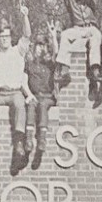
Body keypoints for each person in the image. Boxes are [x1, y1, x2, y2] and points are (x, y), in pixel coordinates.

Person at [38, 0, 102, 100]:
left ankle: (95, 69)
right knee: (66, 35)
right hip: (77, 28)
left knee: (97, 36)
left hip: (91, 26)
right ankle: (64, 69)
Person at [0, 3, 34, 174]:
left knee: (20, 104)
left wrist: (25, 16)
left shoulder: (18, 51)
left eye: (7, 36)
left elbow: (27, 35)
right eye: (2, 36)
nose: (4, 39)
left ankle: (19, 142)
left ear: (11, 38)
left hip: (14, 92)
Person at [24, 21, 59, 163]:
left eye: (43, 45)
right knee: (32, 105)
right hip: (35, 96)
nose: (40, 48)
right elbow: (24, 80)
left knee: (43, 105)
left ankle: (42, 140)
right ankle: (28, 140)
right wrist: (28, 95)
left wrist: (53, 36)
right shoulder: (30, 64)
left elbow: (56, 51)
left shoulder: (50, 62)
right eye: (38, 45)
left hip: (48, 97)